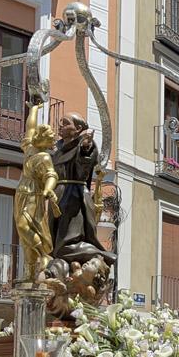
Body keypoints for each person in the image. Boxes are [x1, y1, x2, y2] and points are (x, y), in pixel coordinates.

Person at [49, 112, 114, 264]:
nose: (60, 125)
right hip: (58, 195)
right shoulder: (57, 148)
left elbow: (85, 164)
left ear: (78, 128)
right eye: (61, 122)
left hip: (74, 196)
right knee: (54, 243)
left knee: (66, 242)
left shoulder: (84, 144)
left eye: (65, 123)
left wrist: (86, 147)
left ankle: (100, 255)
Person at [16, 102, 60, 282]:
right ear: (41, 138)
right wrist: (33, 109)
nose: (52, 144)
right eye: (50, 141)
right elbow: (30, 127)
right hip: (21, 194)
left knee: (23, 226)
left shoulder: (44, 157)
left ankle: (44, 254)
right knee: (25, 239)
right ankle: (29, 275)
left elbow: (52, 175)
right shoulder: (30, 147)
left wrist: (48, 190)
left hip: (35, 194)